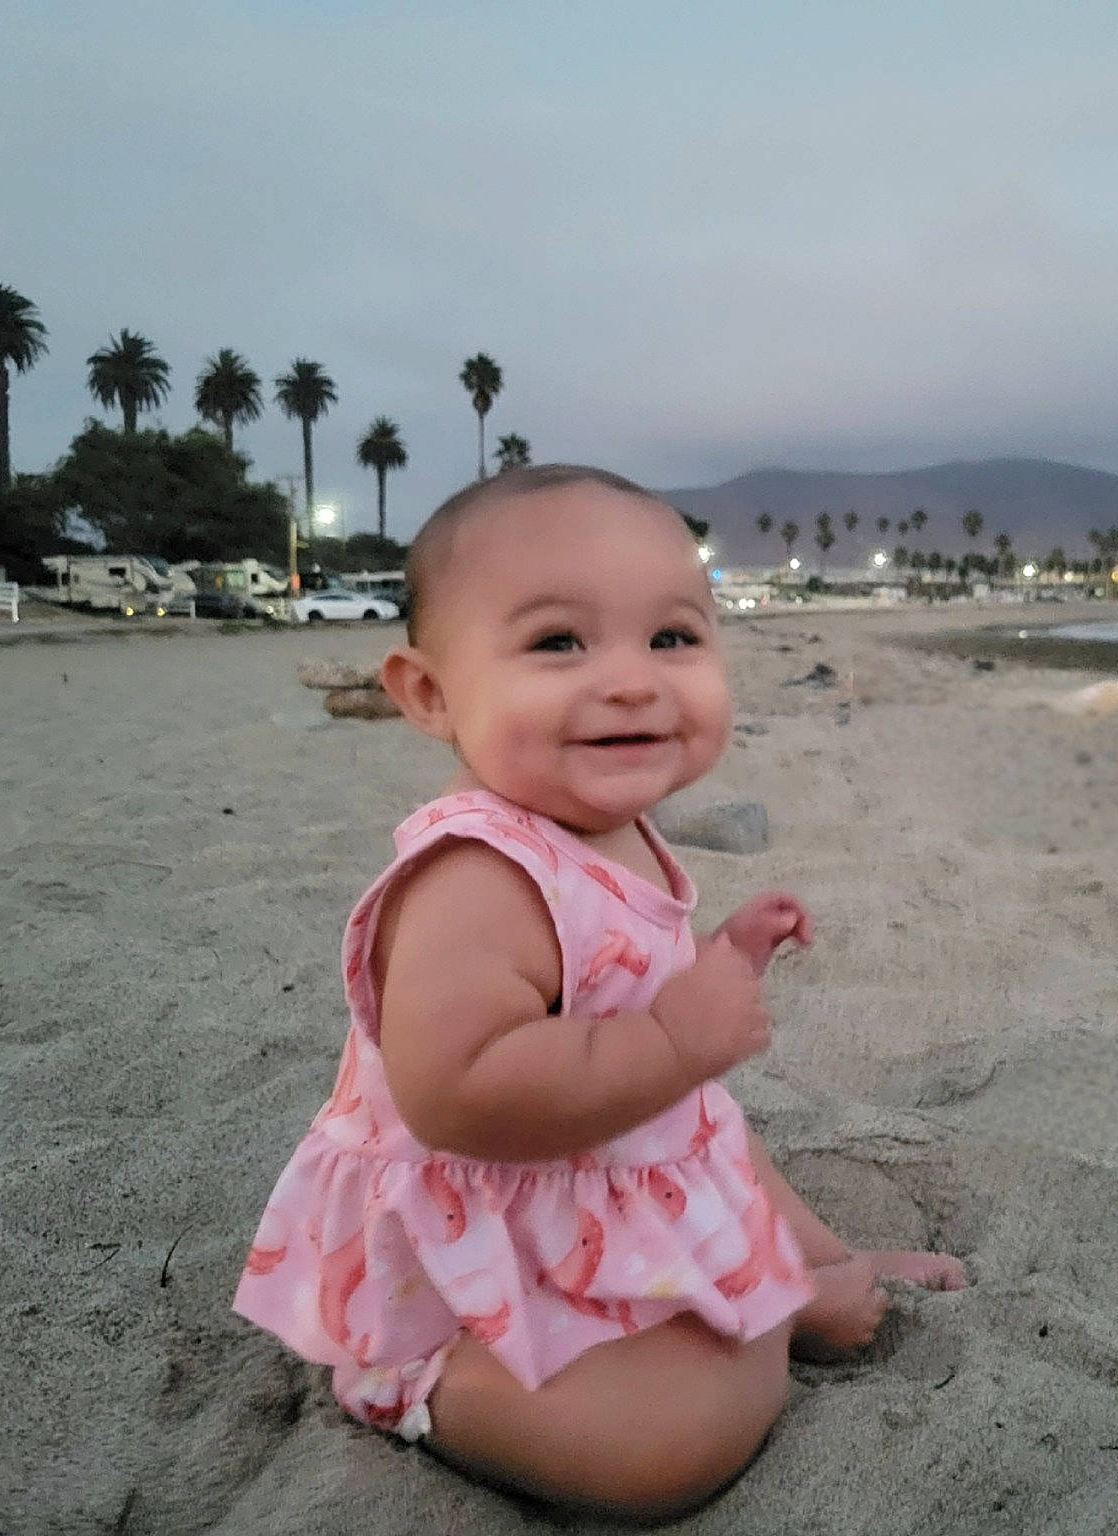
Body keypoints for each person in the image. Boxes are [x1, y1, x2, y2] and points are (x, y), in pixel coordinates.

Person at [234, 465, 967, 1520]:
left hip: (606, 1156)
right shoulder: (474, 877)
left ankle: (809, 1272)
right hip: (488, 1220)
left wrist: (712, 963)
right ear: (430, 695)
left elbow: (604, 980)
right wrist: (670, 1042)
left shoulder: (605, 821)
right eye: (558, 642)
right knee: (668, 1442)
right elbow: (455, 1093)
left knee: (717, 1133)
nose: (631, 681)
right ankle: (415, 1380)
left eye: (671, 637)